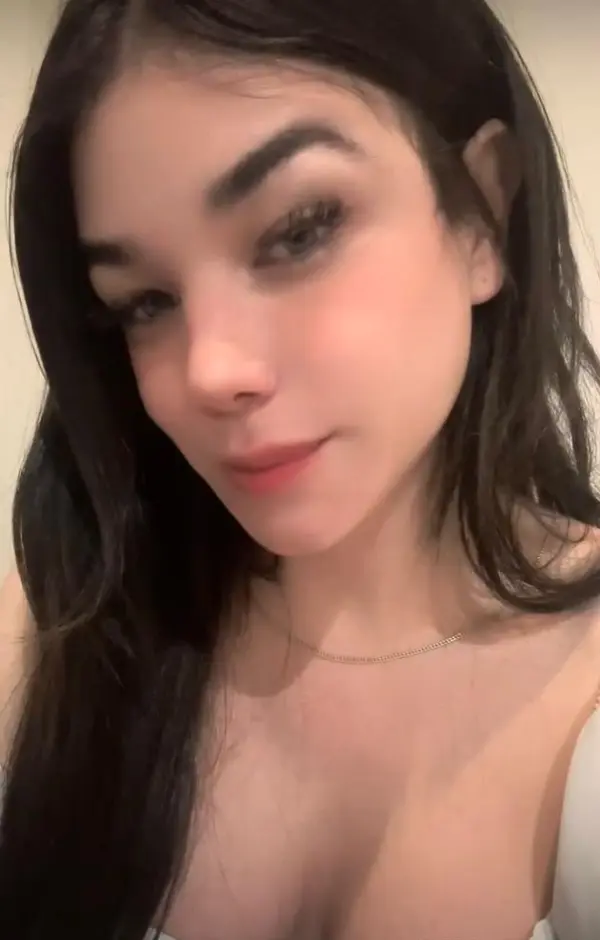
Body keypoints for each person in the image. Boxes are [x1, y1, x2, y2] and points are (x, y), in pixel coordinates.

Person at [1, 0, 600, 937]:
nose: (210, 371)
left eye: (300, 230)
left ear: (483, 213)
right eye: (143, 302)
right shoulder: (52, 637)